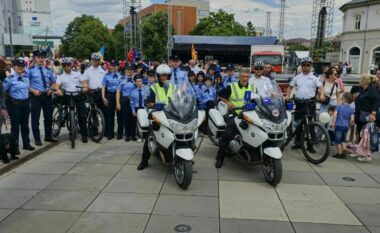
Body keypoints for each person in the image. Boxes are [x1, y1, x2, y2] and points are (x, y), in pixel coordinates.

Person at [215, 69, 256, 168]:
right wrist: (228, 102)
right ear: (239, 77)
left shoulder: (253, 87)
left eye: (247, 77)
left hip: (250, 114)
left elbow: (258, 99)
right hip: (235, 114)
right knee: (227, 134)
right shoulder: (232, 86)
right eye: (243, 76)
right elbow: (220, 94)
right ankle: (220, 158)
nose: (245, 78)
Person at [137, 64, 174, 170]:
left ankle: (183, 157)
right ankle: (144, 161)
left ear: (169, 76)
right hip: (157, 115)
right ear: (158, 76)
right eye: (162, 75)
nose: (164, 77)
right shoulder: (154, 87)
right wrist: (156, 104)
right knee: (150, 136)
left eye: (166, 75)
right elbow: (148, 102)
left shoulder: (173, 87)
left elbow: (179, 98)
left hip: (171, 114)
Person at [285, 57, 325, 152]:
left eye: (307, 65)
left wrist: (322, 95)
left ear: (311, 66)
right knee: (298, 123)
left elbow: (321, 87)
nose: (305, 67)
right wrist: (287, 96)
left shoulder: (315, 77)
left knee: (310, 124)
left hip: (310, 103)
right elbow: (290, 87)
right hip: (299, 102)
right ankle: (298, 142)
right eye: (303, 65)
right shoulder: (297, 76)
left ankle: (310, 144)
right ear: (301, 66)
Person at [3, 59, 34, 153]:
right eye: (18, 66)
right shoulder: (9, 79)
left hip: (25, 104)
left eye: (22, 66)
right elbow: (3, 92)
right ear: (14, 66)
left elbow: (27, 90)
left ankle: (26, 144)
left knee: (25, 126)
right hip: (14, 105)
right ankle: (14, 147)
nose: (20, 67)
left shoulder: (26, 78)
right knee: (15, 127)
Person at [54, 58, 89, 143]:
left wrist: (85, 87)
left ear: (71, 65)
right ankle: (71, 131)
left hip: (78, 95)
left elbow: (84, 82)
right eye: (64, 65)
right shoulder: (61, 76)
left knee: (81, 116)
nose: (66, 67)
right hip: (68, 96)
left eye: (68, 65)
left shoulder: (77, 74)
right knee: (69, 114)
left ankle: (84, 135)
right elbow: (57, 85)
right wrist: (58, 90)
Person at [28, 50, 57, 146]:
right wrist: (32, 91)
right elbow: (25, 84)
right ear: (35, 58)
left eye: (42, 57)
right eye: (39, 57)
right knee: (35, 118)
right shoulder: (30, 71)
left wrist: (52, 89)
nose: (41, 59)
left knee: (48, 117)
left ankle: (48, 136)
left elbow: (53, 83)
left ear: (45, 58)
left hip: (47, 95)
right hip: (36, 95)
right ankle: (37, 138)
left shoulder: (48, 70)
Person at [353, 74, 380, 161]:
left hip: (367, 115)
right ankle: (360, 152)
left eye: (360, 79)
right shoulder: (363, 90)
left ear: (364, 81)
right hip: (360, 115)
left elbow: (377, 101)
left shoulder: (372, 90)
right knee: (361, 133)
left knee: (366, 135)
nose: (359, 80)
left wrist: (373, 113)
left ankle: (367, 155)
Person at [81, 53, 107, 119]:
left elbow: (106, 81)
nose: (94, 61)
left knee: (103, 110)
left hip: (101, 92)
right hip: (91, 91)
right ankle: (93, 124)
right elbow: (84, 80)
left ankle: (104, 125)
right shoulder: (87, 70)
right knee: (92, 110)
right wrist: (86, 86)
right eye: (93, 60)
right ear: (91, 60)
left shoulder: (103, 70)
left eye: (96, 60)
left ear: (99, 61)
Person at [102, 60, 123, 140]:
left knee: (119, 115)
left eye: (115, 66)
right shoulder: (107, 76)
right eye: (112, 65)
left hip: (119, 95)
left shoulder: (121, 76)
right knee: (109, 115)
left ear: (118, 66)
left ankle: (119, 133)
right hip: (110, 95)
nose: (113, 67)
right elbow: (103, 87)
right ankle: (110, 133)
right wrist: (103, 97)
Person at [332, 92, 354, 159]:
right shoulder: (351, 108)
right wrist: (349, 125)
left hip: (339, 125)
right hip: (346, 126)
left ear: (344, 99)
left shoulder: (339, 106)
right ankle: (344, 151)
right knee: (343, 140)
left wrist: (333, 123)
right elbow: (352, 119)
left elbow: (335, 115)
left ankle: (339, 153)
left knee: (337, 140)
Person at [116, 64, 135, 142]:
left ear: (133, 71)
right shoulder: (122, 80)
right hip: (125, 100)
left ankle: (133, 135)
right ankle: (127, 135)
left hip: (134, 100)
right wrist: (118, 103)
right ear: (125, 71)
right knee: (126, 118)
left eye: (130, 71)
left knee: (133, 118)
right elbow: (118, 92)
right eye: (127, 71)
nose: (129, 72)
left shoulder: (136, 80)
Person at [130, 74, 149, 142]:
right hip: (137, 108)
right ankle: (138, 136)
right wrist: (133, 111)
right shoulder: (133, 91)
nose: (138, 82)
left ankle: (145, 137)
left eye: (140, 81)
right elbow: (132, 102)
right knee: (137, 123)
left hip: (144, 108)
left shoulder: (146, 89)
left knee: (144, 122)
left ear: (142, 81)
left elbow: (148, 99)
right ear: (135, 82)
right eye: (137, 81)